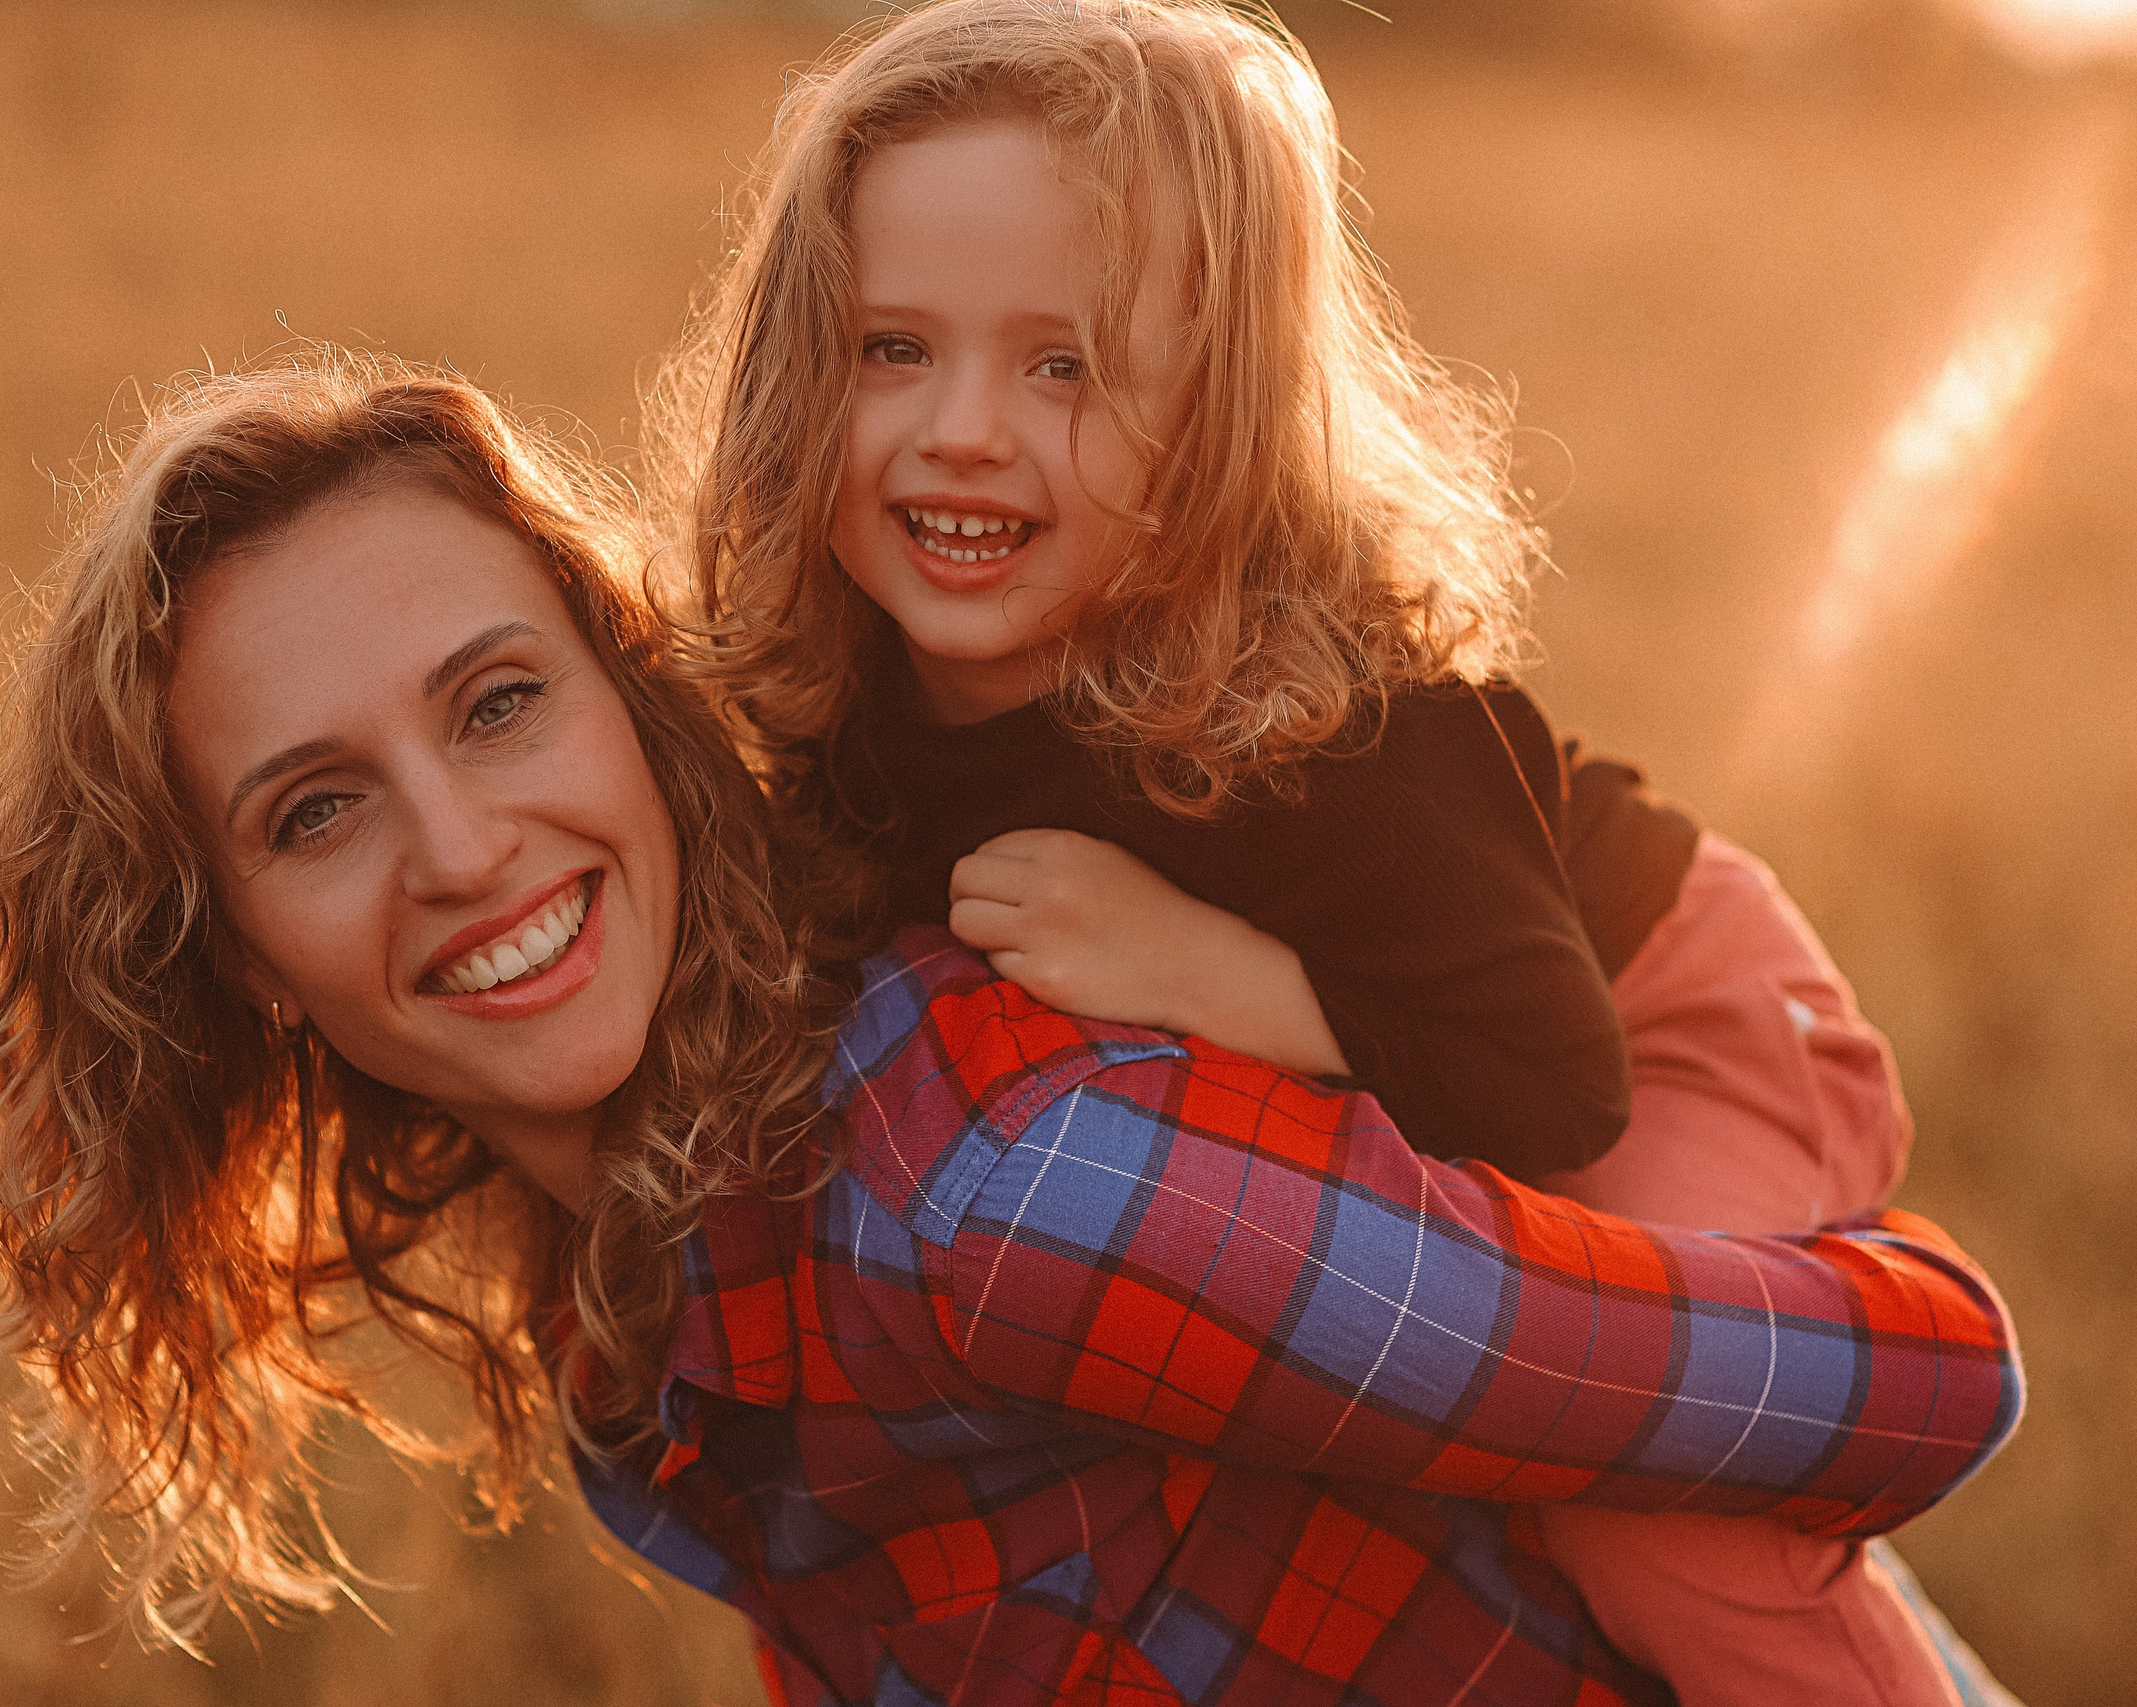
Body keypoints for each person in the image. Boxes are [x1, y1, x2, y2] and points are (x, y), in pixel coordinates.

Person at [0, 350, 2022, 1703]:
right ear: (243, 949)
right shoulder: (630, 1307)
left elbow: (1898, 1377)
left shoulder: (1008, 1193)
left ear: (633, 710)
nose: (456, 848)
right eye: (315, 808)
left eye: (498, 699)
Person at [650, 2, 1984, 1697]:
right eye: (891, 350)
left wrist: (1219, 978)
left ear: (1217, 402)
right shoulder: (845, 697)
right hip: (1449, 1042)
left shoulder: (1336, 724)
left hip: (1668, 1019)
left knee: (1660, 1503)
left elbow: (1555, 1088)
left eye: (1062, 365)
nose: (963, 429)